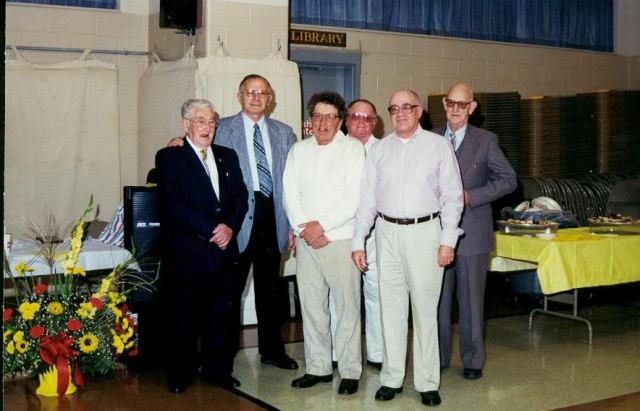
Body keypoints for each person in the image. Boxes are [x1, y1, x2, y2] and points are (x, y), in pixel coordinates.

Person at [168, 74, 298, 370]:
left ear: (270, 98)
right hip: (236, 222)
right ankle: (220, 358)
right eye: (249, 92)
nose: (255, 97)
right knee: (227, 295)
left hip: (273, 218)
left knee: (271, 291)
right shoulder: (219, 127)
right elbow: (195, 153)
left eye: (262, 92)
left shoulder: (284, 132)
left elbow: (290, 181)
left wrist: (290, 225)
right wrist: (177, 144)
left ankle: (272, 350)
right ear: (239, 96)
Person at [351, 89, 464, 407]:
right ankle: (392, 377)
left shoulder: (438, 147)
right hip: (386, 233)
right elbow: (367, 201)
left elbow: (453, 198)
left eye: (407, 107)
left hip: (426, 233)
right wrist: (359, 240)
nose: (400, 113)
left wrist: (447, 240)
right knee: (390, 309)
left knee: (426, 312)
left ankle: (427, 381)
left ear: (419, 112)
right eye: (394, 108)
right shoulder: (379, 150)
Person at [155, 99, 248, 394]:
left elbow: (240, 199)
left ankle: (218, 371)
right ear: (185, 125)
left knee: (222, 317)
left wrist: (230, 226)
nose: (207, 128)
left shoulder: (227, 156)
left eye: (211, 122)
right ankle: (180, 374)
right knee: (183, 318)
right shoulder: (171, 158)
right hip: (188, 252)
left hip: (223, 252)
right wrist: (212, 229)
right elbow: (172, 206)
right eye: (200, 121)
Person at [283, 91, 365, 395]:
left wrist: (324, 227)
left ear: (340, 121)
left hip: (340, 239)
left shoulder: (353, 150)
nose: (322, 122)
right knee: (313, 306)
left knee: (346, 308)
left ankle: (349, 370)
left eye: (330, 116)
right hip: (307, 242)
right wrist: (305, 229)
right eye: (317, 116)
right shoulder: (299, 151)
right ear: (309, 121)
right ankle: (318, 366)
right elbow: (289, 194)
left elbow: (354, 198)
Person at [434, 83, 517, 380]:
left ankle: (472, 361)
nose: (455, 108)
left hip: (472, 233)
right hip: (436, 235)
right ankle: (438, 358)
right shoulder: (430, 140)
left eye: (462, 104)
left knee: (470, 302)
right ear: (444, 104)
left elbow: (508, 180)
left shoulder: (486, 141)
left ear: (472, 107)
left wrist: (472, 196)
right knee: (438, 301)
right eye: (451, 102)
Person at [329, 99, 383, 370]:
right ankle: (339, 353)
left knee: (376, 294)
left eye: (367, 117)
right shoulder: (331, 147)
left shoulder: (384, 149)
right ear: (345, 119)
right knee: (340, 297)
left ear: (375, 122)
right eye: (355, 116)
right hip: (339, 233)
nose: (361, 121)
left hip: (376, 235)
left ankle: (377, 354)